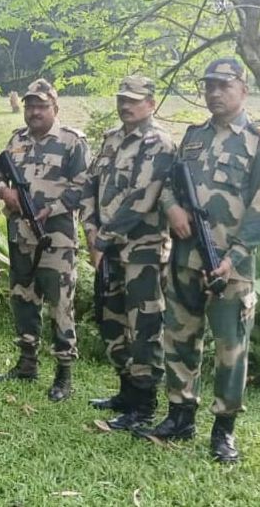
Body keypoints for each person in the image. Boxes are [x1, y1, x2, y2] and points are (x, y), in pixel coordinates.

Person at [137, 58, 259, 464]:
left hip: (231, 267)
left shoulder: (256, 139)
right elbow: (170, 183)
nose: (214, 93)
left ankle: (223, 430)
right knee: (180, 339)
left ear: (242, 87)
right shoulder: (193, 136)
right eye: (208, 86)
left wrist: (236, 255)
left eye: (223, 85)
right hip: (186, 259)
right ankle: (180, 415)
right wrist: (172, 209)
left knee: (230, 351)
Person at [80, 75, 175, 430]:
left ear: (151, 104)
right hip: (106, 248)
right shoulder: (111, 140)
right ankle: (125, 392)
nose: (126, 105)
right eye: (122, 98)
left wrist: (102, 238)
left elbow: (142, 199)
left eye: (134, 100)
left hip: (143, 251)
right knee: (112, 319)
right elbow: (89, 185)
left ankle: (144, 406)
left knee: (144, 325)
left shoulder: (158, 143)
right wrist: (91, 232)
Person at [0, 78, 89, 402]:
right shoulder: (16, 140)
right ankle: (27, 363)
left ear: (55, 108)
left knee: (60, 305)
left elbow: (85, 185)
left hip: (56, 239)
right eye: (30, 105)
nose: (34, 111)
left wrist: (51, 209)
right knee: (23, 300)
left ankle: (63, 374)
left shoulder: (72, 142)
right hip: (20, 237)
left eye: (41, 106)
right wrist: (4, 191)